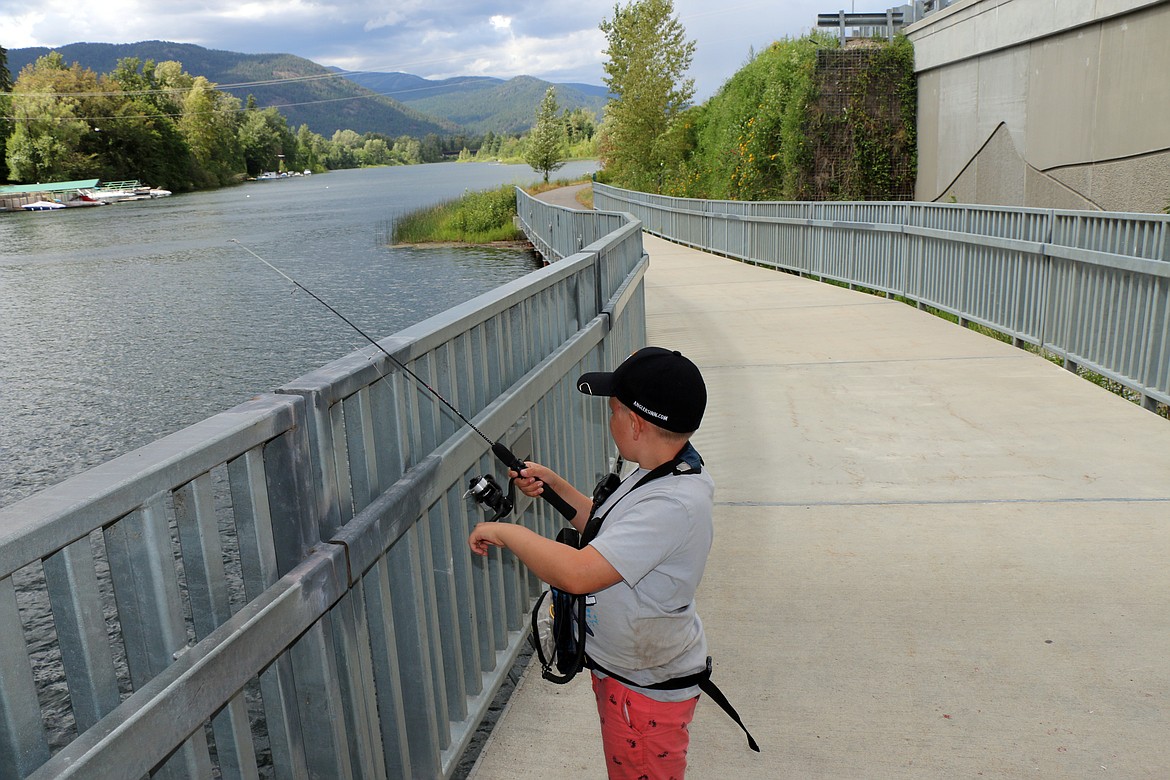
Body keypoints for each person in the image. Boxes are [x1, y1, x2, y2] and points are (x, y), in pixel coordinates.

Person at [468, 346, 714, 780]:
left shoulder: (673, 505)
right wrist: (555, 486)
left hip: (645, 692)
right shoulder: (660, 469)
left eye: (613, 409)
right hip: (627, 672)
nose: (610, 418)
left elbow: (579, 573)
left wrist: (507, 532)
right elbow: (607, 531)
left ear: (636, 424)